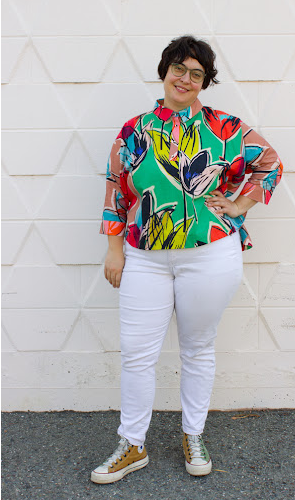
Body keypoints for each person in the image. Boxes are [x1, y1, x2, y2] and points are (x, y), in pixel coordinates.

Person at [91, 35, 283, 483]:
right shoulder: (133, 129)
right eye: (179, 68)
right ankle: (132, 443)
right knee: (137, 353)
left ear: (205, 82)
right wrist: (114, 247)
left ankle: (192, 434)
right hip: (144, 257)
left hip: (210, 254)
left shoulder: (224, 128)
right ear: (164, 71)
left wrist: (238, 204)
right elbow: (116, 188)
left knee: (198, 349)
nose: (186, 79)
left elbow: (269, 162)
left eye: (197, 73)